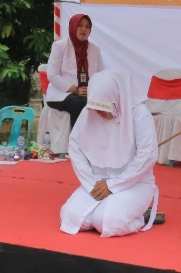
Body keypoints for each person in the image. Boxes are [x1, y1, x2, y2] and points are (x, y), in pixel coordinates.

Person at [60, 69, 160, 238]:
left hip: (133, 183)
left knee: (107, 222)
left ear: (117, 98)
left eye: (104, 107)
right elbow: (75, 145)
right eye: (95, 107)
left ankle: (140, 217)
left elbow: (147, 155)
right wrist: (91, 182)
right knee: (71, 217)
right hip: (96, 182)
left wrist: (113, 185)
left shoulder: (139, 113)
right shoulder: (90, 110)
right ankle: (112, 206)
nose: (98, 112)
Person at [46, 14, 104, 129]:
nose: (84, 29)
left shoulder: (95, 49)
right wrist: (75, 90)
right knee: (81, 103)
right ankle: (76, 142)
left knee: (103, 102)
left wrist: (92, 90)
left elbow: (101, 75)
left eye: (87, 27)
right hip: (62, 94)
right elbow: (52, 75)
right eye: (80, 25)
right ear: (72, 27)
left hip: (87, 93)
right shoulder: (59, 46)